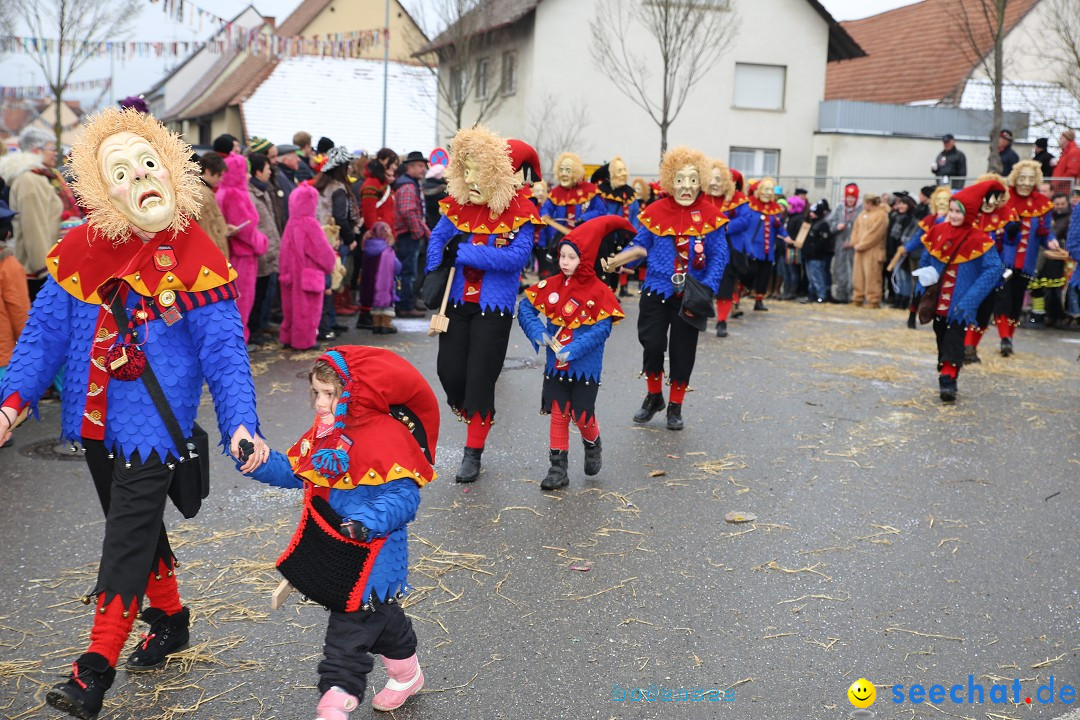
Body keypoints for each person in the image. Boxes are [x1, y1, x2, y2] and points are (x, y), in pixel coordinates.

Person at [0, 106, 266, 719]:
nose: (140, 177)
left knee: (123, 540)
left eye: (149, 163)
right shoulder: (78, 251)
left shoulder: (201, 258)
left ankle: (92, 671)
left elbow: (226, 354)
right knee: (142, 530)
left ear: (171, 169)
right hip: (93, 426)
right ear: (100, 188)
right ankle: (171, 617)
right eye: (120, 171)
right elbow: (41, 338)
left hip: (154, 430)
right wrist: (11, 405)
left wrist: (240, 423)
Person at [245, 346, 436, 717]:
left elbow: (404, 496)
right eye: (315, 392)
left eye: (329, 394)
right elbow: (297, 472)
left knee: (346, 640)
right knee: (380, 618)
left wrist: (367, 521)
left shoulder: (387, 435)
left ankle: (336, 699)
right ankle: (407, 673)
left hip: (373, 557)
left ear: (354, 394)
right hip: (335, 551)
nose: (319, 402)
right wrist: (260, 460)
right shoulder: (325, 432)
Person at [425, 125, 543, 482]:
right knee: (449, 371)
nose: (473, 179)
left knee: (480, 380)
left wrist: (465, 252)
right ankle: (474, 412)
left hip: (495, 309)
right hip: (457, 303)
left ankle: (473, 451)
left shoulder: (523, 212)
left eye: (481, 170)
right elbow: (437, 238)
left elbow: (516, 259)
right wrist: (437, 267)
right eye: (469, 170)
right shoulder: (458, 207)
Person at [601, 146, 729, 430]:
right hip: (657, 289)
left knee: (683, 351)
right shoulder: (654, 211)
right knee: (652, 344)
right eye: (680, 180)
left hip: (691, 294)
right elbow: (639, 245)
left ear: (701, 183)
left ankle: (675, 406)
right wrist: (616, 261)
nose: (686, 186)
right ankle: (654, 396)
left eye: (692, 180)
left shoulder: (712, 215)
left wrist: (707, 286)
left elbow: (720, 254)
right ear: (671, 181)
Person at [517, 215, 627, 490]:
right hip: (556, 364)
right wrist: (537, 332)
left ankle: (592, 443)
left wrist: (574, 349)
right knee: (558, 413)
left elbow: (601, 329)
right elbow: (526, 308)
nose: (564, 262)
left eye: (571, 257)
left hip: (585, 365)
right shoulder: (552, 284)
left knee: (581, 414)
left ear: (585, 259)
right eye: (561, 256)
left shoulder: (600, 290)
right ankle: (558, 468)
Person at [912, 180, 1004, 401]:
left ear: (970, 213)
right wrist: (922, 281)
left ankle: (948, 379)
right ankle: (945, 369)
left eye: (958, 212)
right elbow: (927, 258)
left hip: (960, 304)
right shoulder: (938, 231)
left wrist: (972, 298)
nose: (952, 215)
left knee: (954, 341)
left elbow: (994, 269)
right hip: (938, 302)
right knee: (941, 338)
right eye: (951, 210)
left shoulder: (980, 239)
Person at [0, 127, 75, 300]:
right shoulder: (29, 179)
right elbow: (33, 227)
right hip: (38, 272)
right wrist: (45, 270)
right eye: (52, 149)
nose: (56, 153)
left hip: (47, 264)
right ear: (36, 150)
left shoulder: (42, 176)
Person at [279, 183, 338, 351]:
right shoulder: (310, 224)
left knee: (290, 309)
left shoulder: (291, 223)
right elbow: (323, 252)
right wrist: (330, 264)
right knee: (307, 311)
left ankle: (288, 338)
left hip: (290, 274)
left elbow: (283, 251)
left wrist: (284, 273)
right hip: (309, 276)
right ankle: (304, 341)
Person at [217, 152, 269, 343]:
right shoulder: (236, 194)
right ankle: (238, 343)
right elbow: (245, 228)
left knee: (233, 303)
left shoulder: (223, 191)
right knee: (242, 303)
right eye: (244, 172)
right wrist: (262, 242)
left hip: (232, 253)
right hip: (243, 256)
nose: (248, 176)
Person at [538, 152, 606, 276]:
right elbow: (546, 208)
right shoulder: (555, 192)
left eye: (568, 170)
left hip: (584, 239)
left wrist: (584, 218)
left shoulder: (589, 190)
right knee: (558, 270)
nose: (564, 173)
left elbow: (601, 211)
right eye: (562, 169)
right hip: (561, 238)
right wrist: (546, 215)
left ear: (575, 172)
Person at [355, 148, 400, 330]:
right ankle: (367, 314)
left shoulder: (381, 183)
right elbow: (369, 213)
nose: (394, 167)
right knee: (373, 278)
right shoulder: (372, 183)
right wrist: (380, 232)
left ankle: (376, 315)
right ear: (382, 160)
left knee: (382, 279)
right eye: (392, 163)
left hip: (384, 239)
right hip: (378, 240)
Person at [248, 153, 283, 346]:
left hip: (268, 250)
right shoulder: (252, 195)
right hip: (261, 252)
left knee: (263, 295)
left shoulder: (263, 191)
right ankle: (254, 332)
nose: (270, 172)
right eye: (267, 169)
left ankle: (260, 328)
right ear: (258, 171)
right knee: (257, 295)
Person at [392, 151, 431, 319]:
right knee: (408, 272)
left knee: (409, 271)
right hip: (407, 235)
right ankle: (405, 306)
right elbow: (408, 211)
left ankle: (408, 302)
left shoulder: (411, 183)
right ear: (411, 167)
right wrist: (417, 232)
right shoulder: (408, 186)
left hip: (408, 234)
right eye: (421, 166)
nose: (424, 169)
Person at [744, 178, 788, 311]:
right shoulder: (750, 206)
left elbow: (779, 228)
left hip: (768, 250)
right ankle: (741, 292)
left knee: (764, 276)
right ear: (759, 191)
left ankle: (759, 301)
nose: (768, 193)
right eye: (765, 189)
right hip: (753, 248)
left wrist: (787, 237)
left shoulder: (775, 210)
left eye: (771, 190)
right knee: (750, 272)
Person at [849, 193, 889, 308]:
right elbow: (855, 229)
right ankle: (858, 297)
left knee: (872, 275)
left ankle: (873, 299)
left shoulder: (881, 215)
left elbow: (875, 234)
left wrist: (862, 244)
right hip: (859, 250)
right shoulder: (862, 215)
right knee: (858, 275)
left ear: (869, 203)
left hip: (873, 251)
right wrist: (855, 242)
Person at [361, 221, 401, 334]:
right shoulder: (387, 250)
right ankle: (386, 325)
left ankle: (376, 324)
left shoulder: (367, 247)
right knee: (386, 305)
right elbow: (396, 267)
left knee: (375, 304)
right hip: (385, 284)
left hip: (370, 285)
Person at [192, 152, 231, 260]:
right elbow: (208, 229)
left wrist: (224, 228)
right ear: (208, 171)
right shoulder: (201, 194)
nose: (221, 179)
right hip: (210, 256)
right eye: (219, 175)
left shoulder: (203, 191)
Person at [828, 183, 861, 303]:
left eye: (853, 197)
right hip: (840, 244)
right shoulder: (839, 208)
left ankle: (853, 294)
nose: (850, 200)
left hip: (854, 245)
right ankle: (841, 294)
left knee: (854, 269)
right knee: (839, 268)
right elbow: (830, 223)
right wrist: (837, 227)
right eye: (848, 197)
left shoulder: (861, 209)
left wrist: (853, 241)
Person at [801, 200, 833, 303]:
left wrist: (813, 250)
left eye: (813, 212)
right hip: (808, 255)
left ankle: (821, 295)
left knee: (817, 276)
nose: (811, 214)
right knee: (810, 277)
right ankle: (812, 294)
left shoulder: (823, 225)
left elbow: (822, 241)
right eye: (810, 212)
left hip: (816, 256)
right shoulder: (811, 223)